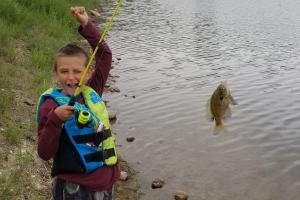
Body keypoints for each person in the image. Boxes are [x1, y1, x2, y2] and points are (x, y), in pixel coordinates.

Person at [36, 6, 126, 200]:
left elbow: (104, 55)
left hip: (106, 182)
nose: (71, 77)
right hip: (73, 187)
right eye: (64, 71)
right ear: (55, 73)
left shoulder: (93, 89)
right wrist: (55, 120)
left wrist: (86, 24)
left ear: (89, 73)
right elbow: (44, 153)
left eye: (78, 71)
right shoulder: (50, 105)